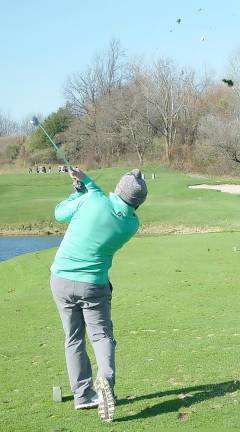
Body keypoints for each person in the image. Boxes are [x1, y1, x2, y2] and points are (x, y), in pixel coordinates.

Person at [50, 167, 147, 422]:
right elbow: (106, 201)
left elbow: (59, 213)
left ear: (118, 188)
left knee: (73, 338)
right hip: (94, 285)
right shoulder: (131, 224)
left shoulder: (91, 199)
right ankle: (105, 381)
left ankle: (83, 396)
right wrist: (87, 185)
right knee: (101, 336)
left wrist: (79, 191)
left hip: (61, 279)